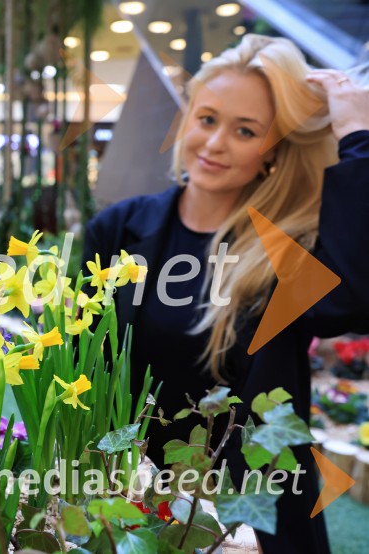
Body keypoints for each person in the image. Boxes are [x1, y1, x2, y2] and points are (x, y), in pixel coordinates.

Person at [81, 35, 369, 553]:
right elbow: (80, 363)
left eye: (246, 130)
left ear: (273, 152)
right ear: (186, 119)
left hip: (252, 517)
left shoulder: (286, 247)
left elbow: (353, 303)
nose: (215, 143)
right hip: (124, 502)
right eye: (207, 118)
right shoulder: (117, 231)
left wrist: (357, 134)